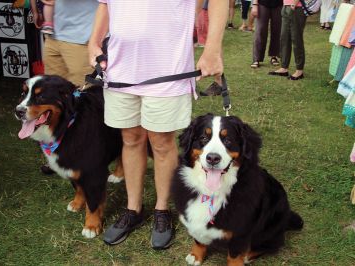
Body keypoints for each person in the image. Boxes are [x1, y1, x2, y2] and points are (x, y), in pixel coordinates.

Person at [88, 0, 228, 249]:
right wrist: (93, 42)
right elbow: (105, 5)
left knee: (162, 142)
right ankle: (134, 208)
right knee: (130, 138)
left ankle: (162, 209)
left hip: (168, 67)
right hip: (119, 69)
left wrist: (213, 48)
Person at [31, 0, 98, 174]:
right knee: (53, 100)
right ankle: (58, 155)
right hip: (53, 35)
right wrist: (36, 10)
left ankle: (85, 158)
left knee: (84, 101)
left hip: (82, 37)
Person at [268, 0, 306, 80]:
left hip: (296, 7)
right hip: (286, 6)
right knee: (284, 39)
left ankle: (299, 70)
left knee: (296, 39)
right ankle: (284, 68)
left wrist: (294, 3)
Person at [250, 0, 282, 68]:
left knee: (277, 31)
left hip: (279, 4)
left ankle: (274, 56)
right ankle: (256, 59)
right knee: (260, 31)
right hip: (262, 4)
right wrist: (255, 5)